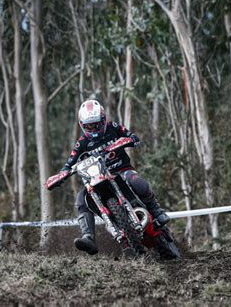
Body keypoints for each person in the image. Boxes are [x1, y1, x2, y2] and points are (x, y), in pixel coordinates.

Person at [48, 100, 170, 255]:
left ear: (103, 120)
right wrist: (62, 174)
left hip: (121, 170)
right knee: (81, 199)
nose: (93, 129)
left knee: (136, 181)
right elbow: (69, 163)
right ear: (82, 125)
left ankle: (155, 209)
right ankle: (88, 237)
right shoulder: (82, 144)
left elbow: (133, 137)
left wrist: (126, 141)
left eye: (96, 125)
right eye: (89, 126)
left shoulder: (113, 128)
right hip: (96, 180)